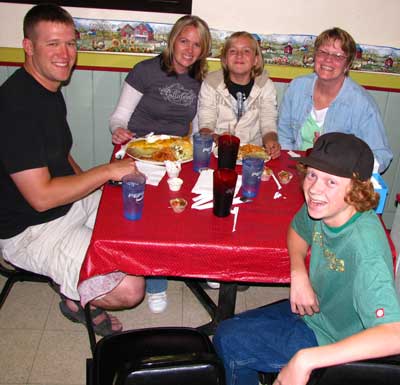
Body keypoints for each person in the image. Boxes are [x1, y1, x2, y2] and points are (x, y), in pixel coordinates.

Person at [0, 3, 145, 336]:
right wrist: (108, 172)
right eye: (52, 44)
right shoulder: (15, 108)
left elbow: (61, 156)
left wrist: (96, 189)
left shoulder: (48, 88)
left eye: (70, 43)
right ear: (28, 47)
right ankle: (73, 296)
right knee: (130, 289)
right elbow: (40, 198)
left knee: (136, 207)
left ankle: (78, 278)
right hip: (31, 230)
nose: (65, 54)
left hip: (65, 204)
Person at [213, 132, 400, 385]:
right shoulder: (325, 208)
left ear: (356, 189)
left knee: (231, 343)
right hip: (316, 312)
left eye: (331, 182)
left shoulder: (366, 247)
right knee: (226, 330)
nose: (314, 189)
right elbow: (297, 230)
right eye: (312, 175)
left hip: (335, 341)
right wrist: (298, 272)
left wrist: (306, 360)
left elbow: (393, 334)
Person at [109, 14, 211, 313]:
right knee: (151, 215)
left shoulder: (200, 79)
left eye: (197, 44)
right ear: (172, 40)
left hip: (177, 152)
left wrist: (204, 141)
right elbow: (119, 116)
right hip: (141, 148)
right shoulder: (145, 70)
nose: (189, 50)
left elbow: (198, 124)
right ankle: (155, 281)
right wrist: (117, 129)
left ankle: (196, 265)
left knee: (186, 206)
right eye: (184, 41)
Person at [278, 27, 392, 173]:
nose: (328, 60)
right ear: (315, 56)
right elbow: (284, 133)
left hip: (338, 177)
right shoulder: (297, 87)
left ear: (348, 64)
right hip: (296, 169)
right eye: (323, 52)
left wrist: (337, 156)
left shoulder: (362, 103)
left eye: (338, 56)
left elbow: (382, 157)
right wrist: (291, 166)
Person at [198, 31, 280, 159]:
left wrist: (271, 141)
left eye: (246, 51)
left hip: (252, 154)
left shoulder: (266, 86)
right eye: (232, 51)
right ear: (224, 59)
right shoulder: (211, 84)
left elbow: (268, 123)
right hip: (217, 153)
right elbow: (205, 125)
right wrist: (217, 138)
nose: (239, 55)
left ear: (256, 60)